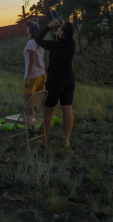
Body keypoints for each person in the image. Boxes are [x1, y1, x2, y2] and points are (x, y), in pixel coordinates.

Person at [35, 18, 76, 147]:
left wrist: (48, 26)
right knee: (67, 109)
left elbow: (38, 39)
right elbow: (65, 34)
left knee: (47, 111)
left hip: (55, 82)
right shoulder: (72, 43)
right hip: (69, 79)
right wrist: (63, 25)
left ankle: (44, 140)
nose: (58, 29)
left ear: (62, 33)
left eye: (59, 28)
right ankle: (66, 140)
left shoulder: (56, 45)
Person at [23, 21, 46, 134]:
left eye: (28, 27)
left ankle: (33, 129)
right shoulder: (40, 43)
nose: (26, 28)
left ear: (31, 30)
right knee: (42, 102)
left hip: (33, 77)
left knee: (29, 103)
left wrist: (27, 77)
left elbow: (31, 61)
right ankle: (43, 126)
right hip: (42, 75)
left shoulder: (30, 43)